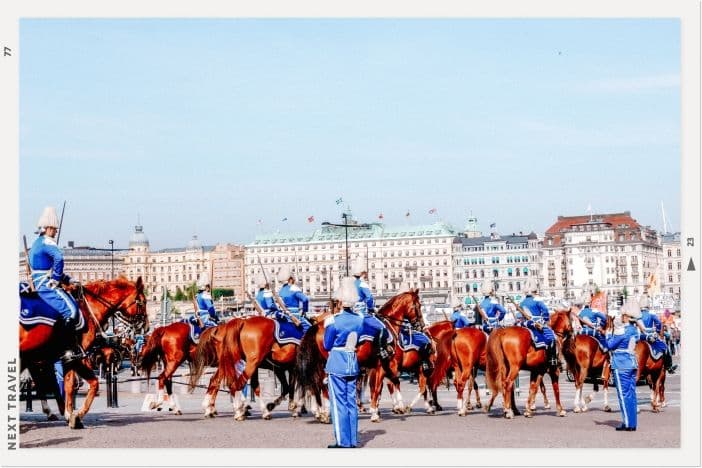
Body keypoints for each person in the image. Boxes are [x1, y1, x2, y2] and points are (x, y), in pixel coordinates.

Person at [29, 206, 83, 365]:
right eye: (53, 228)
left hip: (41, 280)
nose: (56, 231)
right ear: (47, 228)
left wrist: (69, 281)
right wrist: (56, 279)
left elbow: (49, 267)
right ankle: (66, 349)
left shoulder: (37, 243)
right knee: (72, 311)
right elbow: (59, 260)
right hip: (46, 284)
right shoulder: (47, 242)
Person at [323, 276, 364, 448]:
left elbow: (326, 345)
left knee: (338, 404)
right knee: (351, 403)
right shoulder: (359, 319)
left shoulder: (333, 320)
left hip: (337, 363)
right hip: (352, 363)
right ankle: (353, 440)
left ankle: (342, 441)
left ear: (340, 300)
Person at [350, 257, 394, 362]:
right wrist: (370, 308)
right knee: (382, 327)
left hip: (350, 311)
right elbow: (369, 298)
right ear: (362, 273)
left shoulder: (349, 283)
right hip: (361, 312)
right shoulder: (362, 284)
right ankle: (382, 349)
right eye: (365, 273)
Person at [606, 301, 640, 431]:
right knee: (631, 394)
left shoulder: (622, 331)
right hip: (631, 364)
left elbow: (609, 345)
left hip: (621, 364)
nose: (621, 317)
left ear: (626, 316)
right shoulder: (634, 331)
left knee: (623, 394)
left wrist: (608, 333)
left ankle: (626, 423)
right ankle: (632, 423)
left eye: (623, 315)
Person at [519, 278, 558, 369]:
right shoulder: (537, 300)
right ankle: (552, 360)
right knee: (552, 338)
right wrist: (545, 320)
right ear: (534, 290)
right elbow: (545, 311)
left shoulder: (522, 302)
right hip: (536, 323)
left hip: (526, 324)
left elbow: (520, 315)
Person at [635, 296, 676, 374]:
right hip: (649, 336)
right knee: (665, 347)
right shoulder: (651, 314)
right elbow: (659, 323)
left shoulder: (637, 315)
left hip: (639, 336)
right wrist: (657, 331)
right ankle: (669, 366)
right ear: (648, 305)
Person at [277, 266, 311, 334]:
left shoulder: (281, 290)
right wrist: (304, 311)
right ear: (290, 279)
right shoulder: (294, 288)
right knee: (310, 329)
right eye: (293, 279)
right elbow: (305, 299)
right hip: (295, 314)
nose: (294, 280)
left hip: (284, 315)